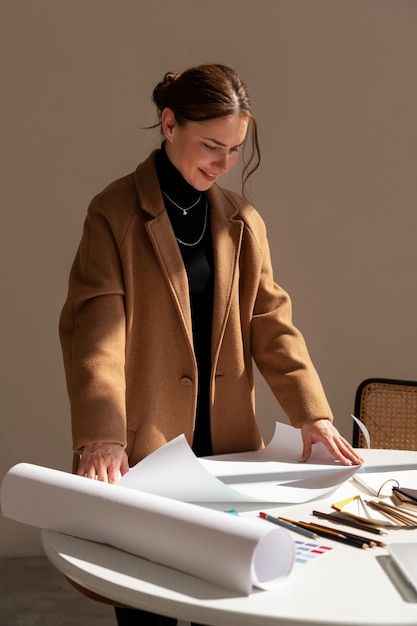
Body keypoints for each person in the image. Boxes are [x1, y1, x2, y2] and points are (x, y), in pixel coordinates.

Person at [59, 64, 362, 626]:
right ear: (169, 124)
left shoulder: (242, 221)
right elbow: (95, 331)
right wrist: (101, 434)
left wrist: (312, 415)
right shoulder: (115, 213)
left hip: (228, 449)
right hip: (145, 449)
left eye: (236, 149)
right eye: (212, 145)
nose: (225, 164)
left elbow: (272, 323)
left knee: (223, 607)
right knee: (148, 601)